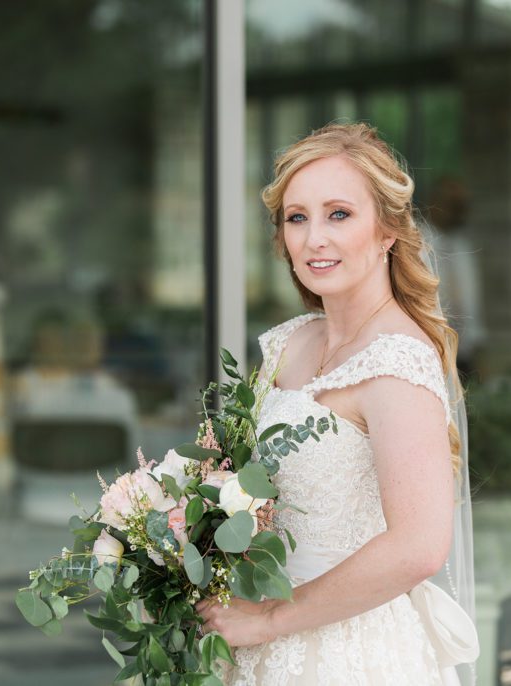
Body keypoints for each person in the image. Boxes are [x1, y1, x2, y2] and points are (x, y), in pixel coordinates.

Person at [196, 122, 477, 685]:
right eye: (297, 218)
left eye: (339, 214)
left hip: (351, 652)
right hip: (253, 644)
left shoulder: (397, 363)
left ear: (388, 231)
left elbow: (419, 547)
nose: (313, 238)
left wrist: (273, 618)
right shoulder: (288, 342)